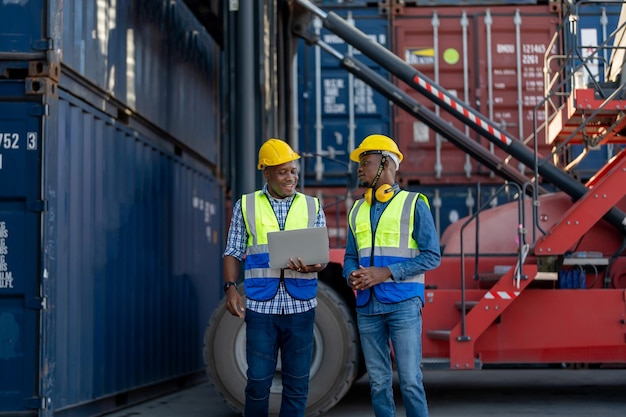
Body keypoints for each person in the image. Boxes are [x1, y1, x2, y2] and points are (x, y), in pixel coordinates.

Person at [222, 138, 327, 417]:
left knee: (297, 384)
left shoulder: (312, 206)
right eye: (283, 172)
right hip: (261, 307)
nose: (291, 177)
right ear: (266, 173)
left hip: (300, 307)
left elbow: (322, 259)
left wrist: (314, 266)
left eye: (293, 171)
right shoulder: (246, 206)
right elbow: (233, 250)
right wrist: (231, 288)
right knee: (257, 382)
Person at [342, 134, 441, 417]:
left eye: (366, 162)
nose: (359, 168)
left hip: (403, 305)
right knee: (378, 383)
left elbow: (431, 255)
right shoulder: (358, 209)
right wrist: (352, 275)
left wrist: (385, 273)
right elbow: (350, 256)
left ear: (386, 164)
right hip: (367, 307)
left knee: (410, 381)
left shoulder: (413, 204)